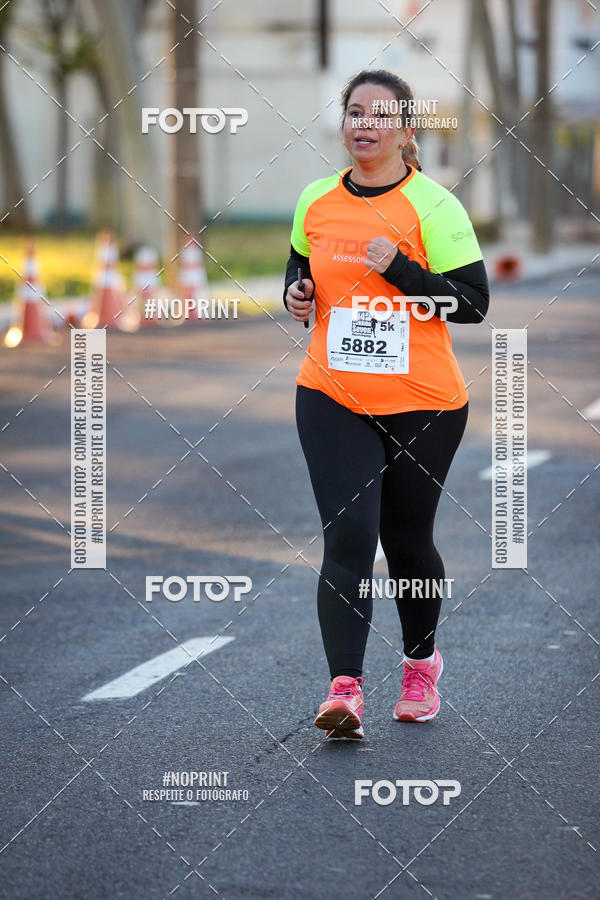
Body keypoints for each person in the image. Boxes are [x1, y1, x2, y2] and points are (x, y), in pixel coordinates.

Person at [283, 69, 489, 739]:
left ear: (405, 130)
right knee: (348, 538)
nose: (361, 124)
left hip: (424, 403)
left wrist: (400, 269)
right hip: (331, 393)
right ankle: (344, 690)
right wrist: (297, 294)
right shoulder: (315, 199)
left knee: (406, 541)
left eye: (377, 114)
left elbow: (472, 305)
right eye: (352, 112)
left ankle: (421, 663)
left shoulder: (434, 206)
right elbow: (299, 267)